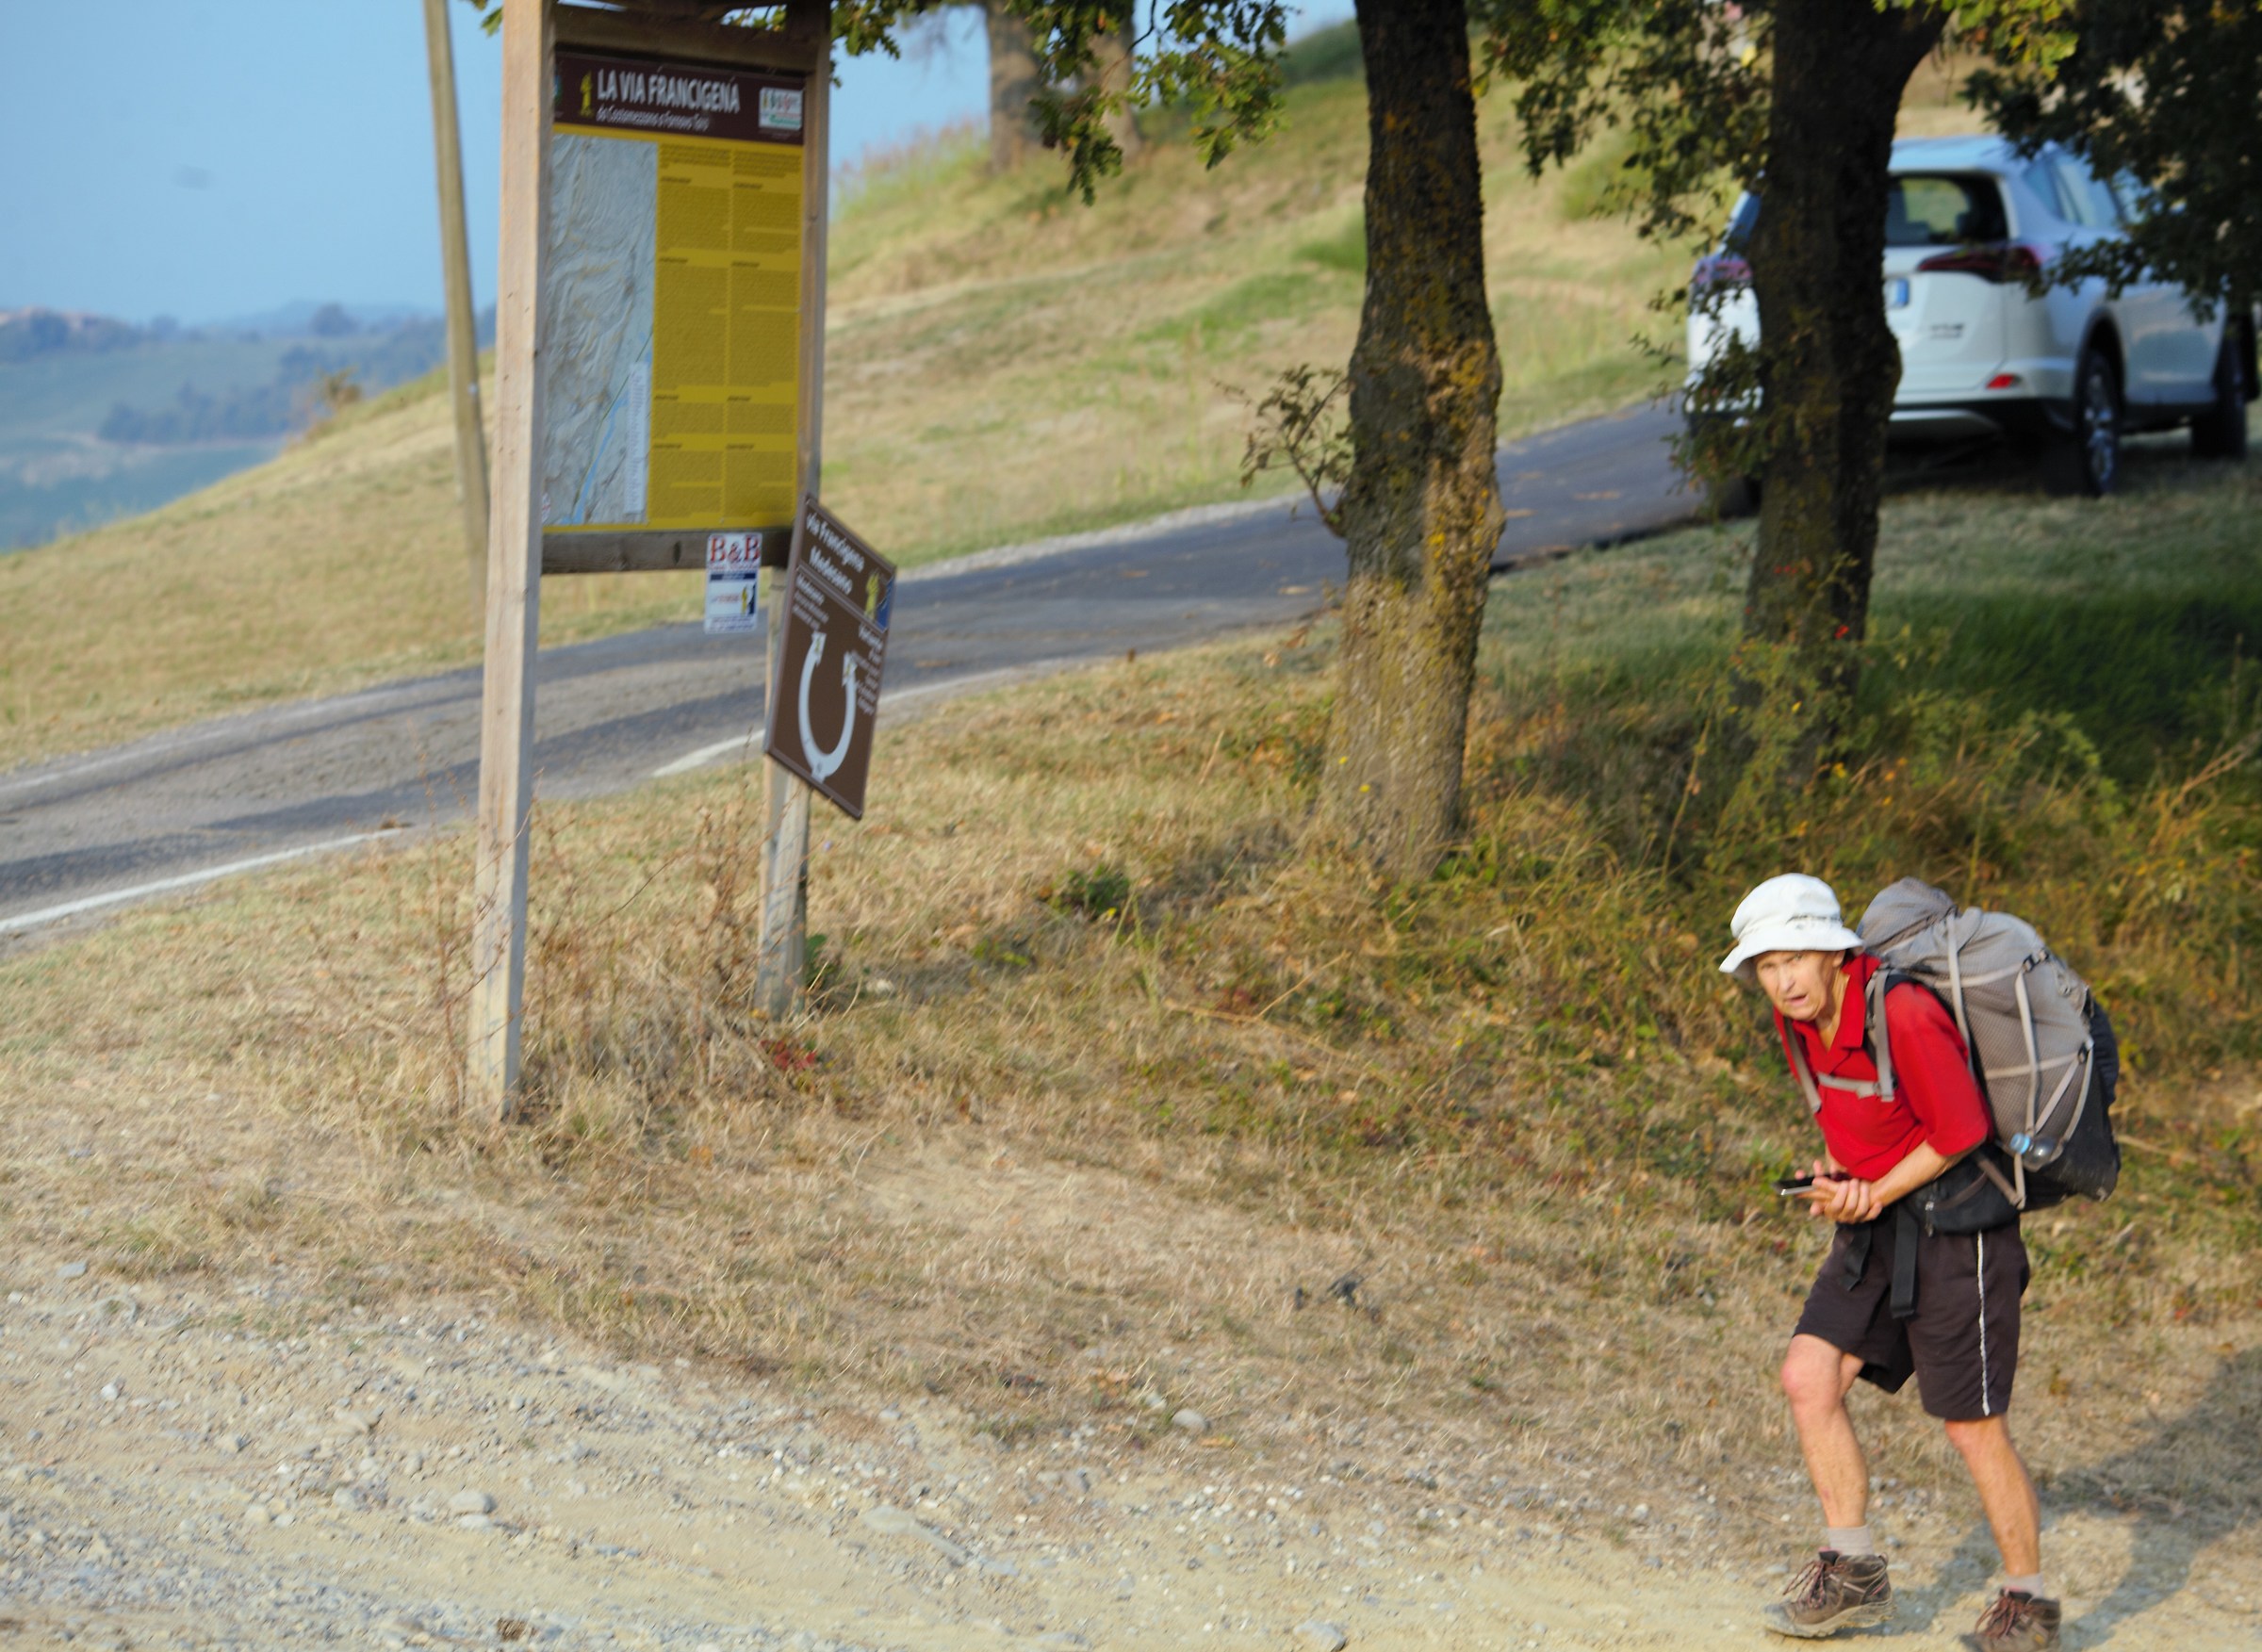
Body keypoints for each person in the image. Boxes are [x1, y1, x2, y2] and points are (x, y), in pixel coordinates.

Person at [1720, 874, 2060, 1651]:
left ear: (1832, 953)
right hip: (1880, 1221)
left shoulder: (1902, 1009)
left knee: (1971, 1425)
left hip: (1963, 1229)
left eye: (1795, 960)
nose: (1783, 980)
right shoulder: (1797, 1020)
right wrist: (1839, 1179)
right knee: (1809, 1376)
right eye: (1767, 966)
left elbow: (1961, 1127)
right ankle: (1855, 1573)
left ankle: (2028, 1604)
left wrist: (1870, 1193)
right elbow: (1854, 1115)